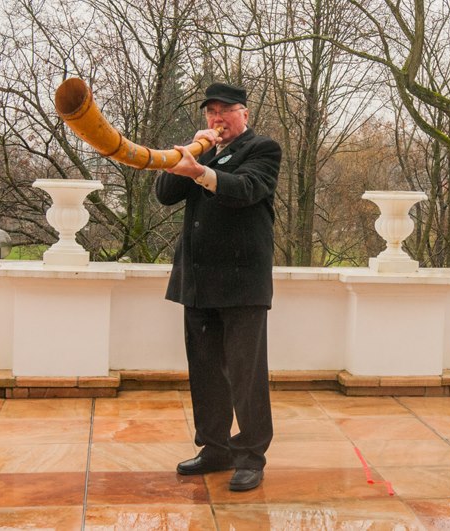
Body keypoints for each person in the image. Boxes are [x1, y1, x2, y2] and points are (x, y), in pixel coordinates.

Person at [154, 82, 281, 492]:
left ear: (244, 114)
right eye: (211, 111)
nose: (217, 118)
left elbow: (245, 190)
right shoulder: (203, 151)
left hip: (242, 284)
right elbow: (165, 195)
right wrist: (184, 159)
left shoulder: (262, 149)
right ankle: (215, 449)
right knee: (206, 372)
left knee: (246, 376)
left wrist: (201, 172)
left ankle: (251, 457)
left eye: (225, 110)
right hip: (198, 283)